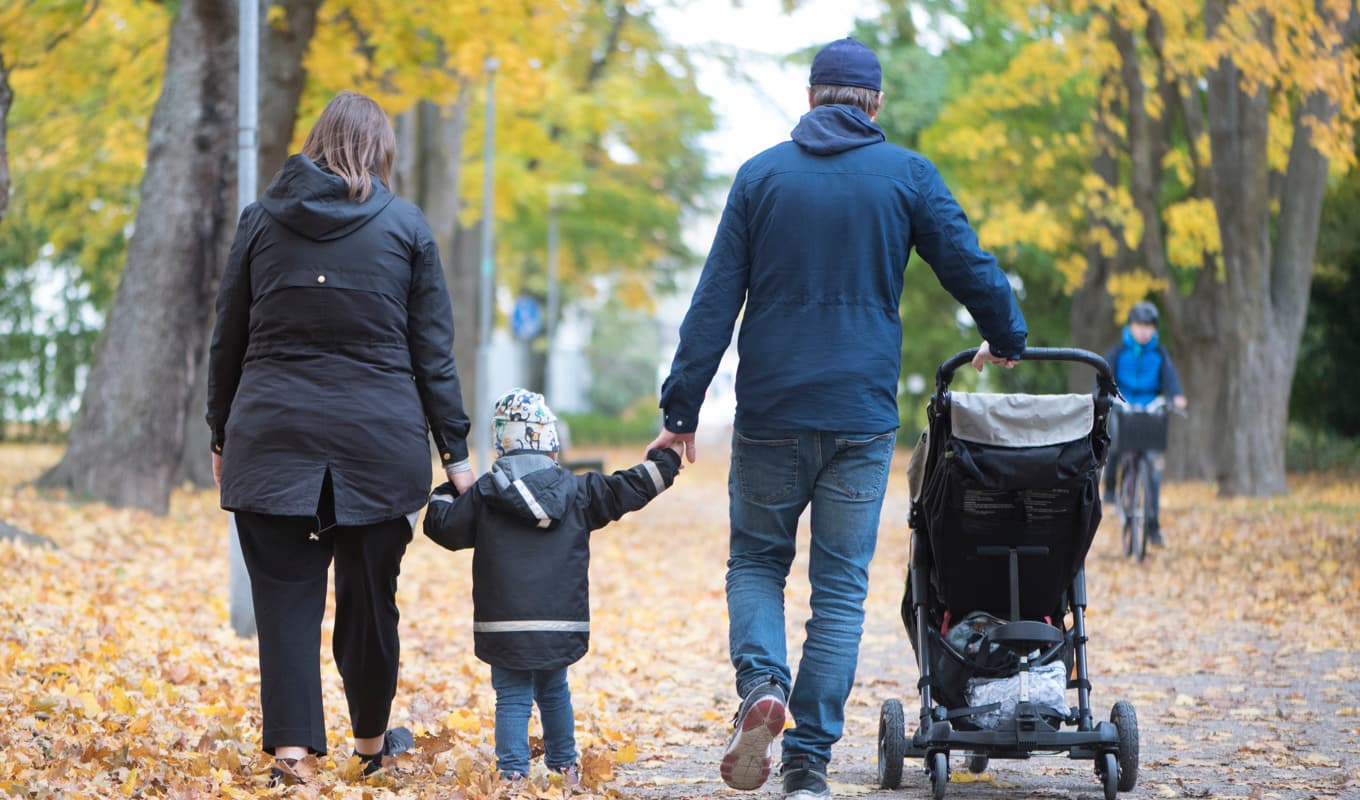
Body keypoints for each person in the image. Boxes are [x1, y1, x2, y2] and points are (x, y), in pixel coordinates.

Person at [646, 37, 1028, 800]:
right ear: (875, 105)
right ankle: (808, 764)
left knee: (757, 561)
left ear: (812, 96)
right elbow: (968, 262)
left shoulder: (760, 177)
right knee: (841, 589)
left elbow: (713, 301)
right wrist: (1007, 334)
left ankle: (763, 686)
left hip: (771, 412)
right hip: (859, 415)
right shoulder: (906, 175)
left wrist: (679, 410)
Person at [206, 91, 476, 785]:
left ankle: (292, 753)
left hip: (270, 434)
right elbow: (432, 355)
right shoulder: (407, 227)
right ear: (379, 151)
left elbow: (226, 340)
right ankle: (369, 742)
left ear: (316, 143)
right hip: (378, 443)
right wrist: (458, 456)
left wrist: (220, 433)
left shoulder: (260, 222)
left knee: (285, 601)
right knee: (369, 598)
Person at [423, 388, 682, 783]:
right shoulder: (579, 492)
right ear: (551, 447)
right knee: (554, 690)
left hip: (504, 625)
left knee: (512, 697)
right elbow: (628, 489)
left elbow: (444, 528)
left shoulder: (485, 496)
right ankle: (565, 765)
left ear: (501, 448)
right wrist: (668, 459)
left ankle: (512, 774)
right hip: (561, 623)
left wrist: (446, 492)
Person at [1103, 301, 1187, 546]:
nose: (1144, 331)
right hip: (1125, 406)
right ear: (1131, 326)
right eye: (1140, 325)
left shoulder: (1160, 354)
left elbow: (1170, 380)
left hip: (1150, 410)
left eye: (1149, 326)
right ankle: (1110, 490)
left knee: (1152, 465)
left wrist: (1177, 397)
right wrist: (1100, 395)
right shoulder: (1118, 352)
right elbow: (1104, 377)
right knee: (1115, 442)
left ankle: (1152, 525)